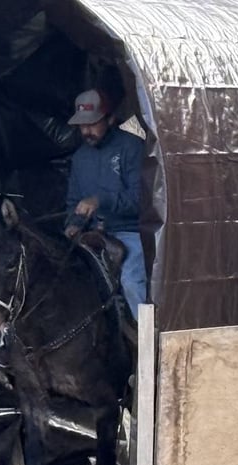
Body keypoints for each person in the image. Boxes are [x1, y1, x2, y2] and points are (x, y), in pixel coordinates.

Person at [64, 89, 147, 321]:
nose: (86, 131)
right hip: (94, 235)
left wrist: (101, 200)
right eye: (82, 126)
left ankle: (148, 341)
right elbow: (72, 202)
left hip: (130, 232)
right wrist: (73, 223)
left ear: (110, 119)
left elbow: (141, 200)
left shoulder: (131, 147)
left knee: (131, 281)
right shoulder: (80, 157)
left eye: (93, 124)